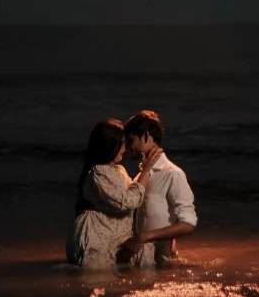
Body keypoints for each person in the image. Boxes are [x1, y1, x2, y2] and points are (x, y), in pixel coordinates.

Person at [66, 117, 162, 268]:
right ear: (109, 146)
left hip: (116, 234)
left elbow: (136, 195)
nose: (125, 148)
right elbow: (127, 201)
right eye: (122, 143)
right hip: (96, 234)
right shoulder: (99, 172)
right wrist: (146, 170)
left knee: (144, 254)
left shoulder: (119, 170)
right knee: (97, 277)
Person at [118, 109, 197, 266]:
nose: (127, 147)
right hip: (143, 263)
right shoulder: (140, 177)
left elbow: (188, 224)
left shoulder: (172, 174)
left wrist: (144, 237)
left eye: (131, 140)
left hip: (162, 263)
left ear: (146, 136)